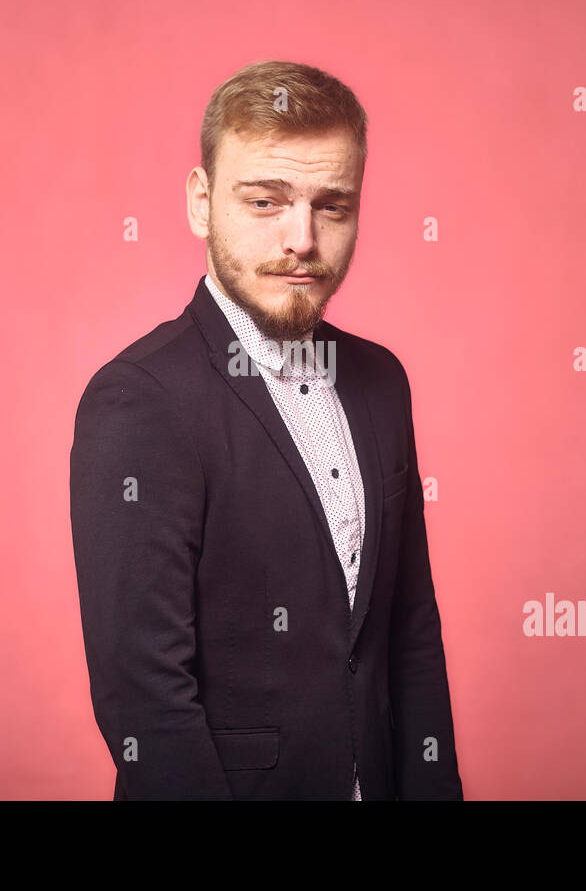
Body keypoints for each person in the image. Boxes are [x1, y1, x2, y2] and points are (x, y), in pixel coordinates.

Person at [69, 60, 463, 799]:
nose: (301, 240)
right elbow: (145, 698)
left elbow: (410, 635)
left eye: (332, 206)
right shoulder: (139, 400)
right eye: (265, 201)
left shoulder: (383, 382)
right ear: (201, 201)